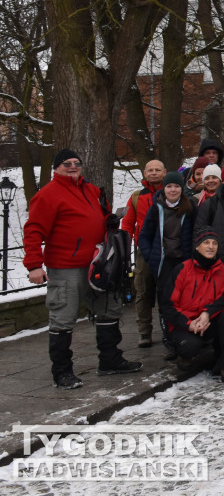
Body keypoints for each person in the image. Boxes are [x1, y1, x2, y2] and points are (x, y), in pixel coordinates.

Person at [24, 149, 142, 389]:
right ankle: (62, 372)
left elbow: (102, 217)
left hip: (98, 263)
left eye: (76, 163)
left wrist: (109, 220)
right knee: (63, 318)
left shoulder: (92, 191)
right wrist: (34, 265)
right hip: (65, 266)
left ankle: (110, 360)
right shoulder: (47, 195)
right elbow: (33, 230)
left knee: (109, 308)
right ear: (56, 168)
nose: (73, 167)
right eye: (66, 163)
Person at [159, 228, 224, 382]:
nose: (211, 246)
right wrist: (188, 324)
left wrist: (207, 313)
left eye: (214, 243)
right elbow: (167, 305)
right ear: (197, 246)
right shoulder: (182, 269)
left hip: (209, 319)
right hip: (184, 323)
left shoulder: (223, 269)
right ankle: (185, 356)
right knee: (190, 346)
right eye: (206, 243)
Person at [138, 171, 197, 357]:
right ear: (165, 188)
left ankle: (184, 337)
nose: (173, 190)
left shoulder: (190, 207)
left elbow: (197, 232)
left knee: (184, 300)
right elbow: (144, 235)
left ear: (182, 188)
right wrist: (150, 256)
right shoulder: (157, 208)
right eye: (170, 186)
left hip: (184, 261)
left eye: (177, 186)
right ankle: (169, 339)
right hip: (164, 262)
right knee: (165, 302)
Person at [120, 158, 166, 348]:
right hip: (144, 252)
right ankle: (144, 331)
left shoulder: (171, 192)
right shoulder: (137, 197)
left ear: (164, 172)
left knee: (166, 292)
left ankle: (168, 330)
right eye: (150, 170)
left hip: (166, 250)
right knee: (143, 291)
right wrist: (124, 245)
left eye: (157, 170)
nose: (154, 173)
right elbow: (128, 223)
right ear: (145, 173)